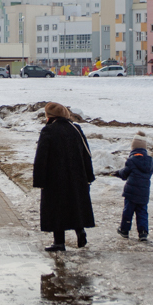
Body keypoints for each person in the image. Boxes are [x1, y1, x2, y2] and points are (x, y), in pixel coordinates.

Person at [32, 102, 95, 251]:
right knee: (75, 204)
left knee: (56, 208)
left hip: (55, 177)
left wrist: (40, 179)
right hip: (77, 176)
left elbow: (41, 157)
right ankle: (80, 231)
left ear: (50, 116)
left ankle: (59, 242)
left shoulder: (48, 131)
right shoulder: (76, 129)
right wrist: (88, 175)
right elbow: (86, 153)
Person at [114, 132, 153, 242]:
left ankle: (124, 230)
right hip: (144, 192)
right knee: (142, 212)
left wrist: (118, 173)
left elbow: (125, 174)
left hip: (131, 192)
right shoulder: (150, 162)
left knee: (128, 211)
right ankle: (143, 232)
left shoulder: (131, 160)